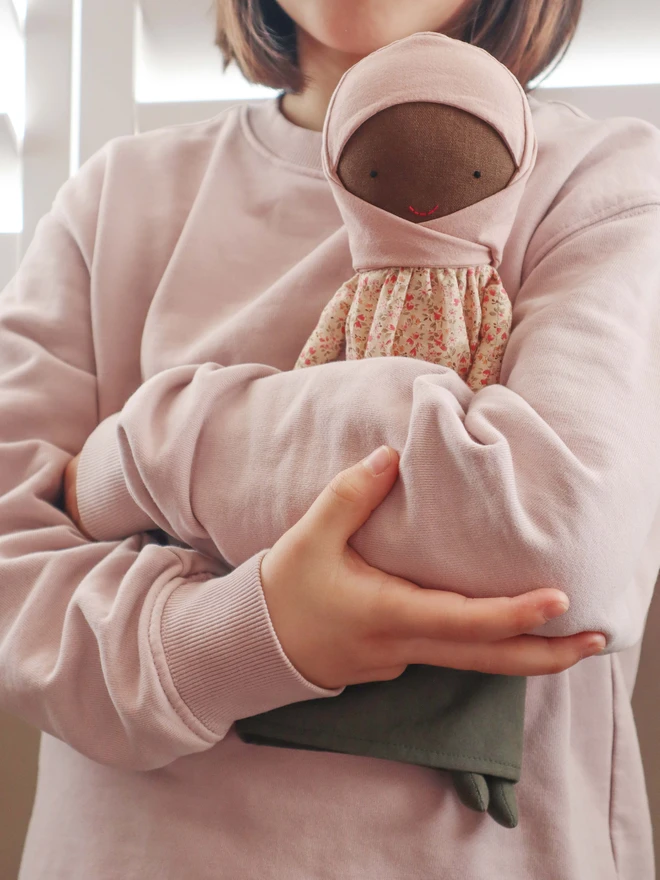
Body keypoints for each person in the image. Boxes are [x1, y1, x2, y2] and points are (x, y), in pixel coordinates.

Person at [0, 0, 658, 877]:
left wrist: (150, 450)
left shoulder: (606, 184)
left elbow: (556, 536)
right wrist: (258, 631)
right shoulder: (111, 198)